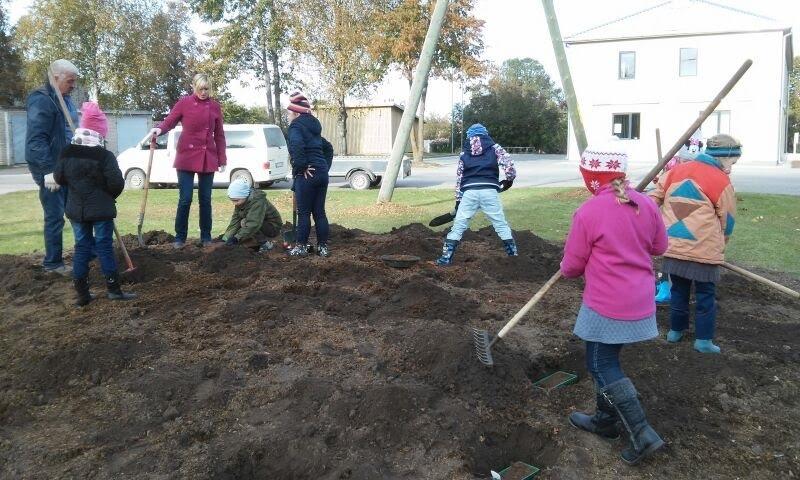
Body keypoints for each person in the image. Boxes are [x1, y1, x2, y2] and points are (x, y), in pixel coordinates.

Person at [561, 139, 668, 465]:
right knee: (603, 359)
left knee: (599, 364)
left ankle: (642, 433)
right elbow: (660, 246)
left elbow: (572, 267)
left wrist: (568, 263)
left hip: (607, 305)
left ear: (591, 177)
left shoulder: (589, 211)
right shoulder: (646, 204)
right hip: (639, 302)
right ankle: (604, 421)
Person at [649, 134, 740, 354]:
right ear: (723, 157)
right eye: (732, 162)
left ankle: (675, 331)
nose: (732, 167)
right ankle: (703, 341)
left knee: (678, 291)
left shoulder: (675, 172)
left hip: (673, 247)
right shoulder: (721, 181)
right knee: (705, 296)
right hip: (705, 252)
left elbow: (652, 199)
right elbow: (728, 221)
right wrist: (721, 245)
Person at [53, 102, 136, 306]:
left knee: (81, 247)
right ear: (100, 131)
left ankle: (82, 295)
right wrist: (108, 196)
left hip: (77, 210)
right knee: (104, 247)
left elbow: (59, 177)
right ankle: (114, 291)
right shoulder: (104, 155)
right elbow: (116, 183)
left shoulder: (67, 152)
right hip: (101, 210)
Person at [149, 73, 226, 249]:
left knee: (205, 199)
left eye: (207, 89)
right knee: (185, 198)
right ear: (194, 87)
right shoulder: (184, 103)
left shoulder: (214, 106)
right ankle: (180, 237)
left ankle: (206, 237)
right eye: (200, 89)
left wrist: (222, 159)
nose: (204, 92)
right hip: (186, 156)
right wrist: (158, 130)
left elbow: (219, 135)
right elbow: (169, 121)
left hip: (208, 157)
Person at [25, 59, 80, 275]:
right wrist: (48, 171)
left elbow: (70, 131)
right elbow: (36, 141)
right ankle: (53, 263)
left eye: (75, 81)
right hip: (49, 168)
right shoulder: (42, 100)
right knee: (55, 214)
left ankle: (87, 252)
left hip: (67, 165)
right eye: (70, 81)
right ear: (55, 77)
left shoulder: (65, 100)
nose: (73, 85)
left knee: (76, 210)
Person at [435, 123, 517, 266]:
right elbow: (509, 165)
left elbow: (459, 179)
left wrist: (458, 201)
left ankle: (445, 259)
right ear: (486, 135)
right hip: (490, 191)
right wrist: (509, 180)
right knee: (501, 224)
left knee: (459, 225)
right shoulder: (495, 148)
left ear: (469, 136)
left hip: (469, 193)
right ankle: (514, 257)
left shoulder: (464, 153)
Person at [285, 91, 334, 257]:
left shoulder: (296, 126)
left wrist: (301, 167)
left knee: (304, 213)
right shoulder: (314, 127)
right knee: (319, 212)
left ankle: (301, 247)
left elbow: (297, 147)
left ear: (296, 112)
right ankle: (322, 248)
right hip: (321, 173)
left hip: (307, 175)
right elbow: (328, 147)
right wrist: (323, 167)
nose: (288, 116)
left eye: (289, 113)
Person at [222, 178, 283, 252]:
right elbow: (235, 220)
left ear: (245, 195)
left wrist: (236, 238)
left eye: (236, 200)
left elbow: (254, 223)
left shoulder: (258, 202)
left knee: (244, 222)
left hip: (273, 227)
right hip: (261, 223)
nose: (234, 203)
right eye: (232, 200)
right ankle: (252, 241)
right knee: (242, 223)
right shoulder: (241, 202)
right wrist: (226, 238)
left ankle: (265, 244)